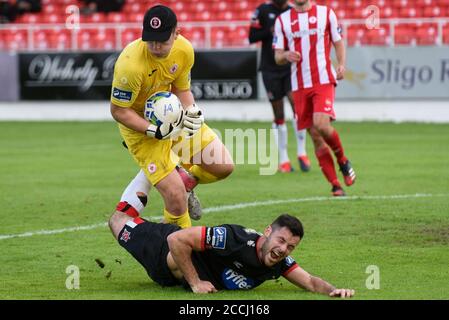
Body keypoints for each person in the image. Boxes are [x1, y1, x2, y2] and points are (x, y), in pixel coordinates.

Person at [110, 5, 234, 228]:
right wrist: (153, 130)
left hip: (175, 117)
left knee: (223, 166)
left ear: (176, 33)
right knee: (176, 199)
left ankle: (185, 180)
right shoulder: (130, 65)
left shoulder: (184, 50)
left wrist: (192, 111)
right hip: (141, 130)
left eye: (162, 41)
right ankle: (177, 255)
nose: (156, 46)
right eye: (151, 40)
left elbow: (182, 89)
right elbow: (119, 111)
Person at [108, 210, 355, 297]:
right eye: (280, 240)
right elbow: (176, 239)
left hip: (171, 278)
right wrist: (195, 283)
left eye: (290, 247)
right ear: (267, 232)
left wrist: (333, 290)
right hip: (160, 250)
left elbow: (311, 281)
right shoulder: (235, 239)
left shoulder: (278, 262)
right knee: (117, 221)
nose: (282, 250)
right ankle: (150, 171)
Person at [273, 0, 356, 196]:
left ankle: (342, 160)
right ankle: (335, 185)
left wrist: (342, 64)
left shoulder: (326, 13)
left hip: (323, 80)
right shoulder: (283, 20)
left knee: (321, 124)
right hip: (299, 86)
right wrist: (286, 54)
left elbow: (338, 41)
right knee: (316, 138)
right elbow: (277, 57)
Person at [248, 0, 311, 173]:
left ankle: (301, 152)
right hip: (269, 69)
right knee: (279, 114)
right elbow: (251, 37)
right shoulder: (262, 10)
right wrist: (269, 32)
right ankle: (283, 158)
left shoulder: (294, 11)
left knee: (298, 108)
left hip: (290, 68)